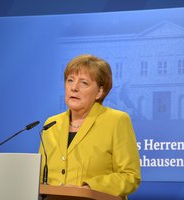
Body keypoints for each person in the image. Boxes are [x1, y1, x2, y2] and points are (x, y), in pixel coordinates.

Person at [39, 54, 141, 198]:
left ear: (100, 91)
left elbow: (130, 176)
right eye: (70, 80)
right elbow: (40, 177)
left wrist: (88, 188)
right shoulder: (51, 125)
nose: (74, 88)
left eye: (84, 83)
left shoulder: (116, 121)